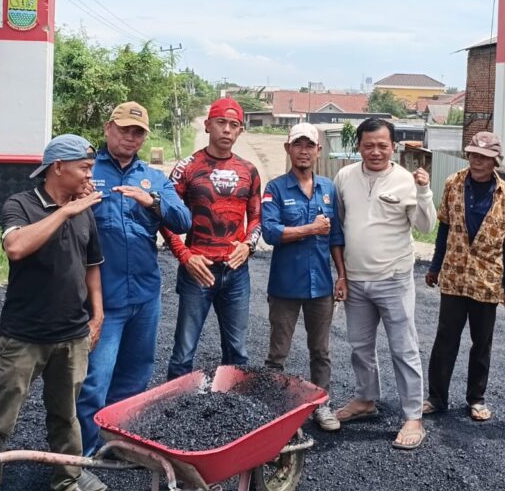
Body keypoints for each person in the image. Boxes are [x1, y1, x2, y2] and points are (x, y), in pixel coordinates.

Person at [0, 135, 106, 491]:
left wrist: (97, 315)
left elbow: (92, 266)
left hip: (72, 335)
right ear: (57, 167)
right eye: (84, 167)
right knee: (0, 420)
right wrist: (64, 212)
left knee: (65, 417)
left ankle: (67, 481)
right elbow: (15, 247)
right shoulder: (22, 204)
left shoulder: (84, 209)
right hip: (24, 336)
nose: (89, 175)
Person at [76, 102, 191, 455]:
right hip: (102, 298)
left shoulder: (154, 178)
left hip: (144, 295)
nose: (130, 136)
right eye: (124, 129)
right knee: (95, 379)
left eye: (138, 132)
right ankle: (88, 453)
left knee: (136, 373)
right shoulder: (87, 171)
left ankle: (122, 443)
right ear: (109, 128)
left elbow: (183, 221)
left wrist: (153, 201)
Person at [333, 117, 435, 451]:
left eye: (382, 145)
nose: (375, 151)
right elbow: (340, 225)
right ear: (358, 145)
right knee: (360, 346)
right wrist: (342, 275)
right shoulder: (345, 177)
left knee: (403, 348)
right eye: (368, 145)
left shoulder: (406, 180)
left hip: (393, 278)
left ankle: (412, 416)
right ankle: (365, 399)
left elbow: (424, 226)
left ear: (393, 147)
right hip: (356, 280)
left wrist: (424, 192)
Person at [423, 131, 505, 422]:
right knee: (445, 339)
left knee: (482, 342)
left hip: (487, 279)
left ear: (495, 161)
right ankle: (436, 397)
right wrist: (434, 266)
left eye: (485, 157)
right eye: (474, 155)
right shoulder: (453, 183)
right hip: (454, 275)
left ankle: (476, 399)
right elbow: (443, 228)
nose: (478, 161)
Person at [162, 97, 262, 380]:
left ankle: (234, 411)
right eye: (221, 123)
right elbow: (165, 217)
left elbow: (256, 217)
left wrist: (248, 245)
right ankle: (174, 411)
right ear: (208, 125)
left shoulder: (249, 170)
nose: (227, 130)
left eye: (234, 125)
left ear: (240, 130)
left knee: (238, 351)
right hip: (198, 270)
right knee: (184, 351)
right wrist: (186, 256)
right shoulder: (187, 167)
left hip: (236, 271)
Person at [261, 123, 347, 432]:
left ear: (318, 151)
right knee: (277, 353)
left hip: (321, 285)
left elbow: (336, 236)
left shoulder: (328, 189)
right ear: (288, 149)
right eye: (297, 144)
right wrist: (310, 229)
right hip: (286, 285)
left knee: (321, 352)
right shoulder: (275, 188)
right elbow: (270, 233)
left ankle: (321, 405)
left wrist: (342, 277)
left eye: (309, 145)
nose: (304, 150)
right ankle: (269, 407)